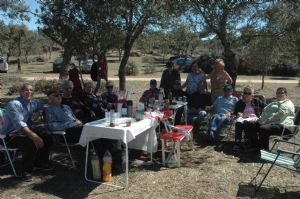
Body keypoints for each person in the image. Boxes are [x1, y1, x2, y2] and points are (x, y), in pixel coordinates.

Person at [0, 83, 53, 181]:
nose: (29, 92)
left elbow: (42, 107)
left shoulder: (33, 102)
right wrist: (36, 137)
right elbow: (20, 125)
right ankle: (26, 171)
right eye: (25, 90)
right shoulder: (14, 104)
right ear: (20, 92)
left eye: (31, 90)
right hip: (11, 135)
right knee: (30, 143)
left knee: (48, 135)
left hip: (26, 131)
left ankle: (39, 163)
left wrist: (38, 112)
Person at [232, 86, 265, 151]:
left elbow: (266, 107)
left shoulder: (256, 101)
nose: (247, 94)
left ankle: (250, 142)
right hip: (243, 118)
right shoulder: (240, 102)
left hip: (254, 119)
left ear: (252, 95)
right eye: (245, 93)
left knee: (248, 123)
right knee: (238, 123)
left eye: (249, 93)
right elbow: (235, 112)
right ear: (243, 94)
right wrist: (238, 114)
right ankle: (237, 143)